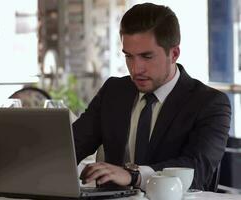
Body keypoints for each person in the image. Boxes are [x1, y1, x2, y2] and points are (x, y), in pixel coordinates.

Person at [73, 3, 231, 191]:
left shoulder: (209, 103)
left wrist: (133, 175)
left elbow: (197, 170)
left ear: (174, 54)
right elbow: (72, 146)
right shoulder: (114, 91)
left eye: (146, 57)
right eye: (128, 56)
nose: (135, 69)